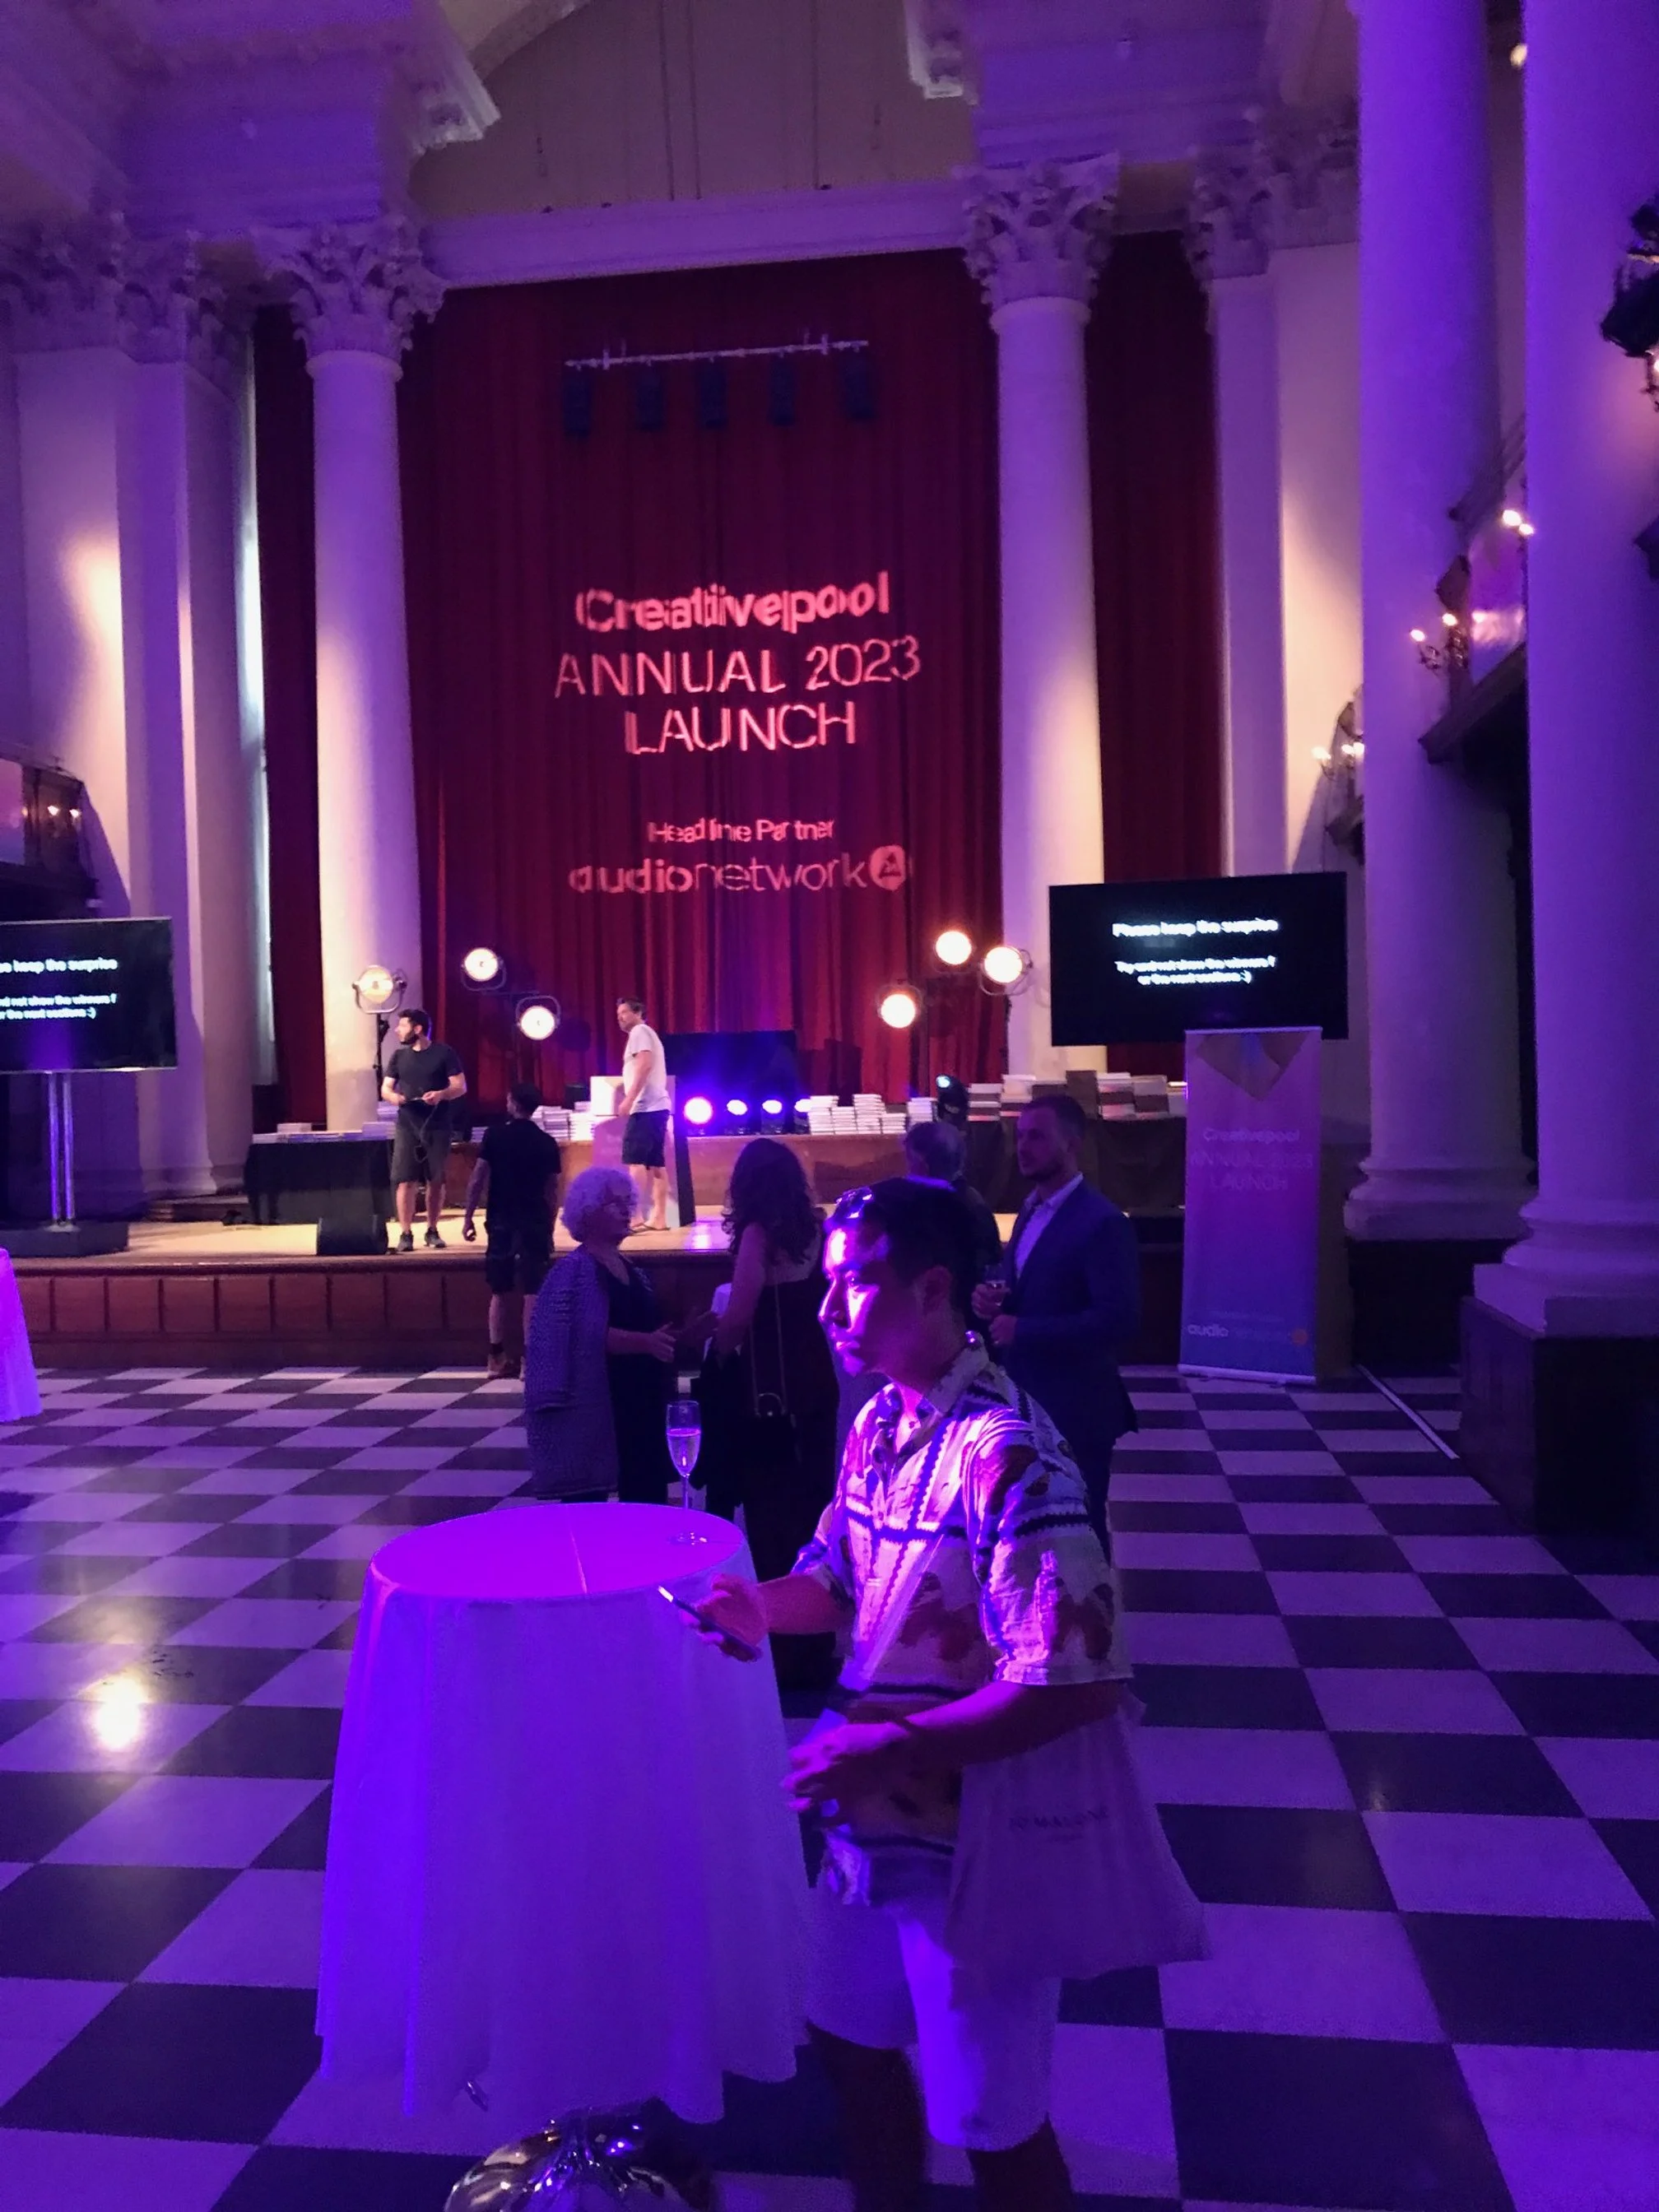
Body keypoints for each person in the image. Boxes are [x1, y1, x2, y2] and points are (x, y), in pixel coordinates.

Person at [696, 1178, 1128, 2212]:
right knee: (850, 2047)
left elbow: (1075, 1684)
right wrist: (753, 1605)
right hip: (869, 1829)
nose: (827, 1309)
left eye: (855, 1285)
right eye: (829, 1285)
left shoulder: (1008, 1454)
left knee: (993, 2123)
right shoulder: (881, 1424)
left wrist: (887, 1749)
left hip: (977, 1848)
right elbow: (840, 1585)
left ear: (936, 1290)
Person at [694, 1138, 839, 1686]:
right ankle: (817, 1643)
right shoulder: (814, 1229)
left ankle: (785, 1650)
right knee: (814, 1505)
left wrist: (718, 1353)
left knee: (772, 1511)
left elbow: (741, 1313)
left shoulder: (758, 1233)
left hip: (769, 1385)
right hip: (812, 1373)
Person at [972, 1093, 1138, 1543]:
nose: (1023, 1147)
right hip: (1025, 1399)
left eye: (1038, 1137)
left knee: (1081, 1524)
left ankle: (1097, 1613)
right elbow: (1020, 1285)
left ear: (1072, 1144)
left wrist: (1024, 1330)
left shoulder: (1102, 1222)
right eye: (1021, 1136)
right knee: (1036, 1523)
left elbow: (1119, 1320)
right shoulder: (1029, 1208)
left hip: (1077, 1403)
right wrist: (993, 1300)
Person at [523, 1166, 676, 1503]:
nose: (625, 1211)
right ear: (588, 1213)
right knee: (591, 1513)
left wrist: (684, 1336)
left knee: (647, 1502)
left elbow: (647, 1330)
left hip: (640, 1401)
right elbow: (580, 1338)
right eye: (613, 1204)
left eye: (627, 1202)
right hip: (598, 1403)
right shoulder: (571, 1273)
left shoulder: (631, 1268)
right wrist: (645, 1343)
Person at [461, 1082, 562, 1380]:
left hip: (501, 1219)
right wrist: (551, 1223)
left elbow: (478, 1178)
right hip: (534, 1220)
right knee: (532, 1290)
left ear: (511, 1102)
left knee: (500, 1289)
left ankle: (496, 1355)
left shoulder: (495, 1136)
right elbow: (552, 1189)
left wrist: (468, 1217)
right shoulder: (547, 1142)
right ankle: (530, 1361)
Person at [381, 1008, 467, 1252]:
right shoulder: (399, 1056)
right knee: (404, 1180)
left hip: (437, 1124)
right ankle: (406, 1233)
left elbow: (460, 1086)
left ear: (417, 1029)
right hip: (407, 1124)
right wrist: (394, 1098)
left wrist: (441, 1094)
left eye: (403, 1026)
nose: (397, 1030)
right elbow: (386, 1088)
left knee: (436, 1180)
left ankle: (432, 1229)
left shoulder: (444, 1053)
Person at [902, 1118, 1001, 1287]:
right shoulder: (964, 1197)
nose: (907, 1170)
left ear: (921, 1163)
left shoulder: (945, 1206)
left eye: (909, 1160)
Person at [615, 996, 671, 1232]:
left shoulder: (640, 1031)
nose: (620, 1019)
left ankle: (635, 1216)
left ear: (638, 1012)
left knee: (635, 1161)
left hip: (646, 1107)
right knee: (656, 1164)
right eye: (618, 1016)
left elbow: (645, 1064)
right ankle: (659, 1218)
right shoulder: (645, 1033)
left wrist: (628, 1099)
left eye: (624, 1013)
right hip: (656, 1106)